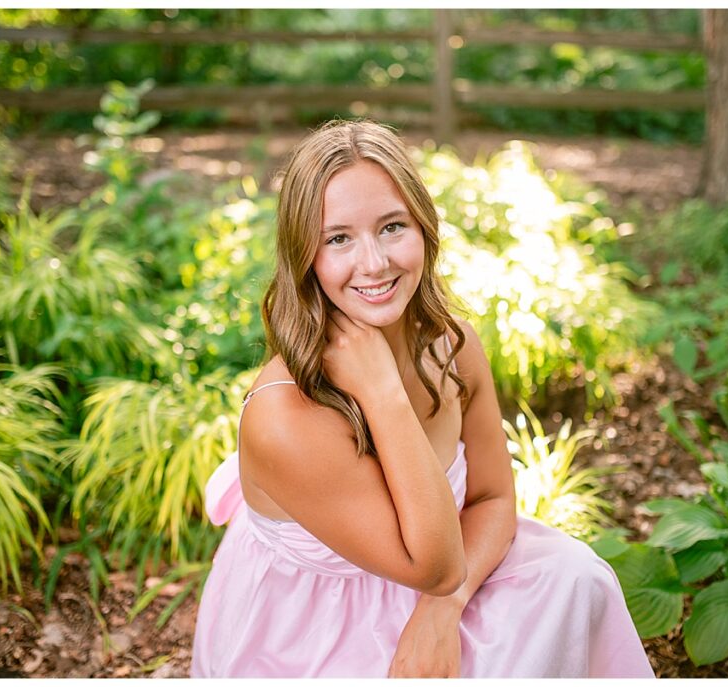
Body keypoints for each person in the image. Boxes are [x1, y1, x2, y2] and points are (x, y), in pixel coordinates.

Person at [190, 120, 654, 678]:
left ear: (424, 227)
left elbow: (491, 501)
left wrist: (443, 609)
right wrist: (383, 392)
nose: (374, 262)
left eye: (392, 227)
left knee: (576, 576)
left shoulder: (452, 347)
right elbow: (432, 565)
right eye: (338, 239)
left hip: (447, 579)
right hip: (314, 629)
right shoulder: (285, 416)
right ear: (304, 257)